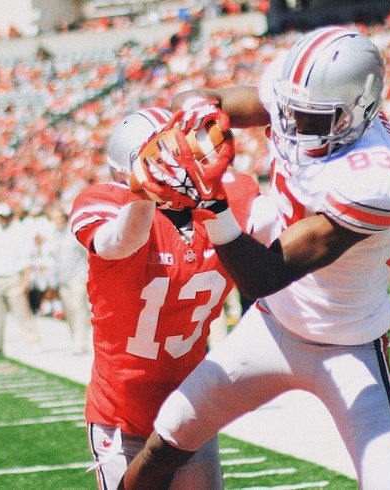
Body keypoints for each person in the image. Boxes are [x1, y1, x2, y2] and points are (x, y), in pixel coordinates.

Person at [121, 28, 390, 489]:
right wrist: (195, 115)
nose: (292, 125)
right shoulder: (301, 95)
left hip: (348, 341)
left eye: (310, 118)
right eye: (288, 111)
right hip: (274, 324)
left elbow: (264, 274)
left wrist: (211, 203)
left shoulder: (377, 179)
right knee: (168, 436)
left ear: (356, 115)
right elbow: (209, 96)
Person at [71, 108, 261, 489]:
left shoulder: (231, 200)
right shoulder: (107, 205)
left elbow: (282, 233)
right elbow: (120, 241)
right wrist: (145, 190)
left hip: (190, 407)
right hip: (121, 414)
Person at [0, 204, 39, 359]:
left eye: (4, 216)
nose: (2, 220)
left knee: (22, 313)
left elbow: (26, 257)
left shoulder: (19, 230)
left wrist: (25, 280)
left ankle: (33, 342)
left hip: (14, 277)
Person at [54, 210, 91, 354]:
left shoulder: (73, 234)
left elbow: (86, 253)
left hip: (78, 278)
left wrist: (87, 274)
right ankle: (75, 339)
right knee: (70, 312)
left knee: (79, 310)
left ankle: (80, 343)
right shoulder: (54, 235)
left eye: (57, 218)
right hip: (63, 280)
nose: (55, 221)